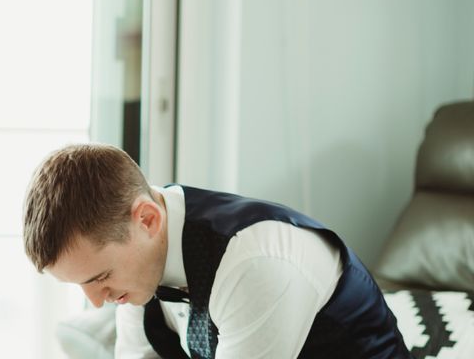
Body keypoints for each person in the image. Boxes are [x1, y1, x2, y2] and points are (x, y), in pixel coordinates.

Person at [23, 143, 411, 358]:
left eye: (101, 277)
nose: (96, 302)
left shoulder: (255, 262)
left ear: (147, 219)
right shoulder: (139, 270)